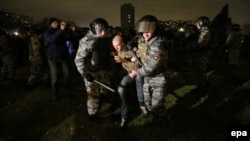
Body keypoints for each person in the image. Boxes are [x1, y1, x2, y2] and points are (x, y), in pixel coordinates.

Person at [130, 15, 168, 123]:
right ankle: (153, 117)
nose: (145, 34)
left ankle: (162, 119)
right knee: (148, 101)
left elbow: (151, 66)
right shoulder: (148, 42)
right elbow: (143, 53)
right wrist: (135, 54)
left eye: (148, 31)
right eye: (143, 31)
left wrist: (137, 73)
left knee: (157, 104)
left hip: (157, 79)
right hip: (147, 78)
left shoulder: (157, 45)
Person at [74, 18, 114, 119]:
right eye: (101, 30)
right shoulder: (86, 41)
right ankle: (92, 114)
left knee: (106, 86)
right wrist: (85, 74)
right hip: (90, 72)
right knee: (93, 94)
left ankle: (106, 98)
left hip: (102, 68)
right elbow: (78, 60)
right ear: (94, 29)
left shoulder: (105, 38)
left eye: (105, 29)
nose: (103, 32)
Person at [111, 35, 147, 127]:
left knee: (139, 81)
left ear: (122, 43)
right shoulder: (118, 51)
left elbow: (138, 65)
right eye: (114, 46)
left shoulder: (132, 49)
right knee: (121, 90)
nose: (116, 48)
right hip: (129, 74)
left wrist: (124, 61)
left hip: (139, 73)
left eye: (117, 45)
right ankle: (124, 116)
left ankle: (142, 105)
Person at [44, 17, 71, 100]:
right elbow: (52, 39)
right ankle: (56, 94)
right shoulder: (47, 32)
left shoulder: (61, 31)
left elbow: (69, 38)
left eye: (57, 23)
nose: (56, 24)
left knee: (67, 75)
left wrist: (70, 30)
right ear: (50, 24)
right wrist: (60, 30)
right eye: (54, 23)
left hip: (63, 56)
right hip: (53, 57)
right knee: (54, 78)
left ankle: (68, 92)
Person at [193, 16, 212, 87]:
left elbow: (204, 44)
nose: (196, 24)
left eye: (198, 23)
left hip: (203, 53)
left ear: (201, 23)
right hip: (202, 52)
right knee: (200, 69)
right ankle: (201, 83)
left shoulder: (205, 31)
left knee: (201, 69)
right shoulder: (202, 31)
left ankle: (203, 84)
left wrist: (196, 46)